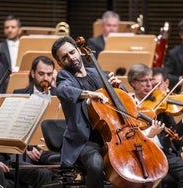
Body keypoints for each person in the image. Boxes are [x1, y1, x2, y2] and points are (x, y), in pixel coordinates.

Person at [51, 36, 132, 188]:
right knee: (96, 164)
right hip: (85, 141)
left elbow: (122, 102)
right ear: (59, 63)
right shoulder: (64, 77)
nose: (71, 58)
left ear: (78, 51)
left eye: (72, 52)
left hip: (110, 135)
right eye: (65, 57)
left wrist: (117, 88)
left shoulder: (96, 73)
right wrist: (90, 94)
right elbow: (63, 90)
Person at [127, 63, 183, 188]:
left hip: (163, 153)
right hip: (140, 154)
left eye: (150, 80)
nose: (149, 84)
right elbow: (127, 136)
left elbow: (174, 134)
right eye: (144, 81)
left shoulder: (160, 102)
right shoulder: (128, 104)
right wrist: (149, 135)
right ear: (133, 83)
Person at [13, 55, 57, 165]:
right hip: (27, 147)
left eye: (49, 74)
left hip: (51, 147)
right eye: (41, 74)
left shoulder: (60, 96)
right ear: (33, 73)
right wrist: (27, 148)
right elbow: (15, 127)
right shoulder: (18, 94)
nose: (46, 78)